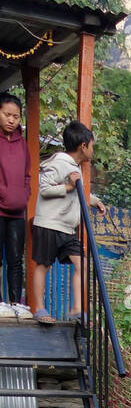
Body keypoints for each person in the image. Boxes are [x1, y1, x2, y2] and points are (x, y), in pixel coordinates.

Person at [31, 120, 105, 326]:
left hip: (67, 228)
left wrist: (95, 201)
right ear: (83, 146)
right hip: (48, 224)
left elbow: (77, 191)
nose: (92, 150)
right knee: (43, 265)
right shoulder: (58, 162)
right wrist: (68, 186)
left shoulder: (74, 167)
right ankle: (39, 308)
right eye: (92, 146)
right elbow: (44, 188)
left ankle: (76, 309)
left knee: (81, 263)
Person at [0, 91, 32, 319]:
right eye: (7, 114)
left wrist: (24, 194)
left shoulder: (23, 144)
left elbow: (27, 175)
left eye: (16, 116)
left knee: (15, 259)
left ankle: (15, 303)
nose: (11, 120)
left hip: (17, 211)